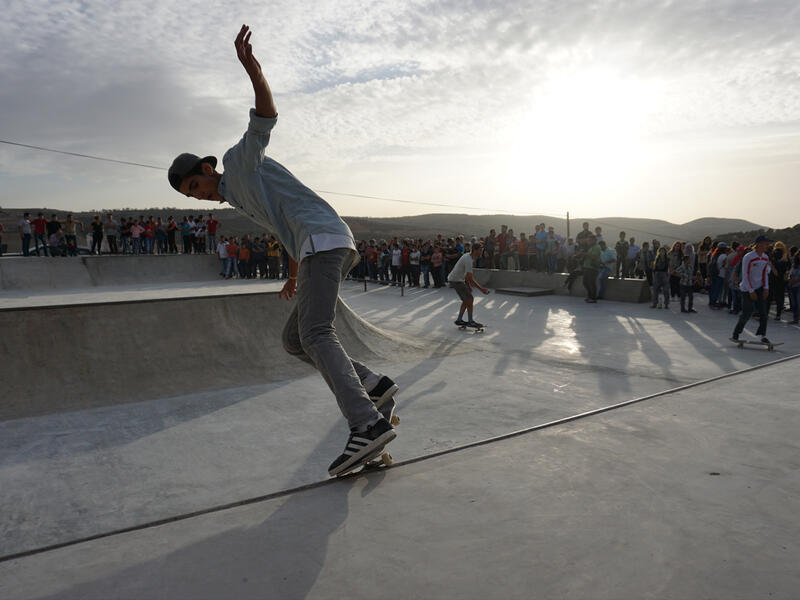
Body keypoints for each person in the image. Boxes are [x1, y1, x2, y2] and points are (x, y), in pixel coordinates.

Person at [167, 25, 397, 476]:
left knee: (316, 334)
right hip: (315, 248)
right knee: (295, 340)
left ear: (207, 168)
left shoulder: (239, 162)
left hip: (325, 242)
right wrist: (293, 274)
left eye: (196, 186)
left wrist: (254, 70)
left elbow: (265, 117)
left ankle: (366, 422)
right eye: (192, 196)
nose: (200, 196)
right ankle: (374, 384)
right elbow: (286, 228)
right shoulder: (236, 195)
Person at [731, 235, 773, 344]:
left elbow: (765, 274)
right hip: (746, 288)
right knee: (747, 313)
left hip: (759, 288)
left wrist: (766, 288)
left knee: (763, 313)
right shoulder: (748, 257)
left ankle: (762, 335)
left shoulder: (765, 257)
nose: (767, 245)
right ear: (758, 244)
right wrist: (751, 291)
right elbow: (746, 275)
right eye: (765, 243)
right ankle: (736, 333)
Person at [448, 243, 490, 327]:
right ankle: (470, 321)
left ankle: (459, 320)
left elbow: (466, 275)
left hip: (457, 279)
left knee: (466, 300)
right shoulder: (468, 260)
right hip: (456, 280)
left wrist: (468, 285)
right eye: (480, 250)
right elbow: (470, 278)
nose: (482, 252)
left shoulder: (469, 257)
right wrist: (482, 289)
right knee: (470, 299)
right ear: (475, 250)